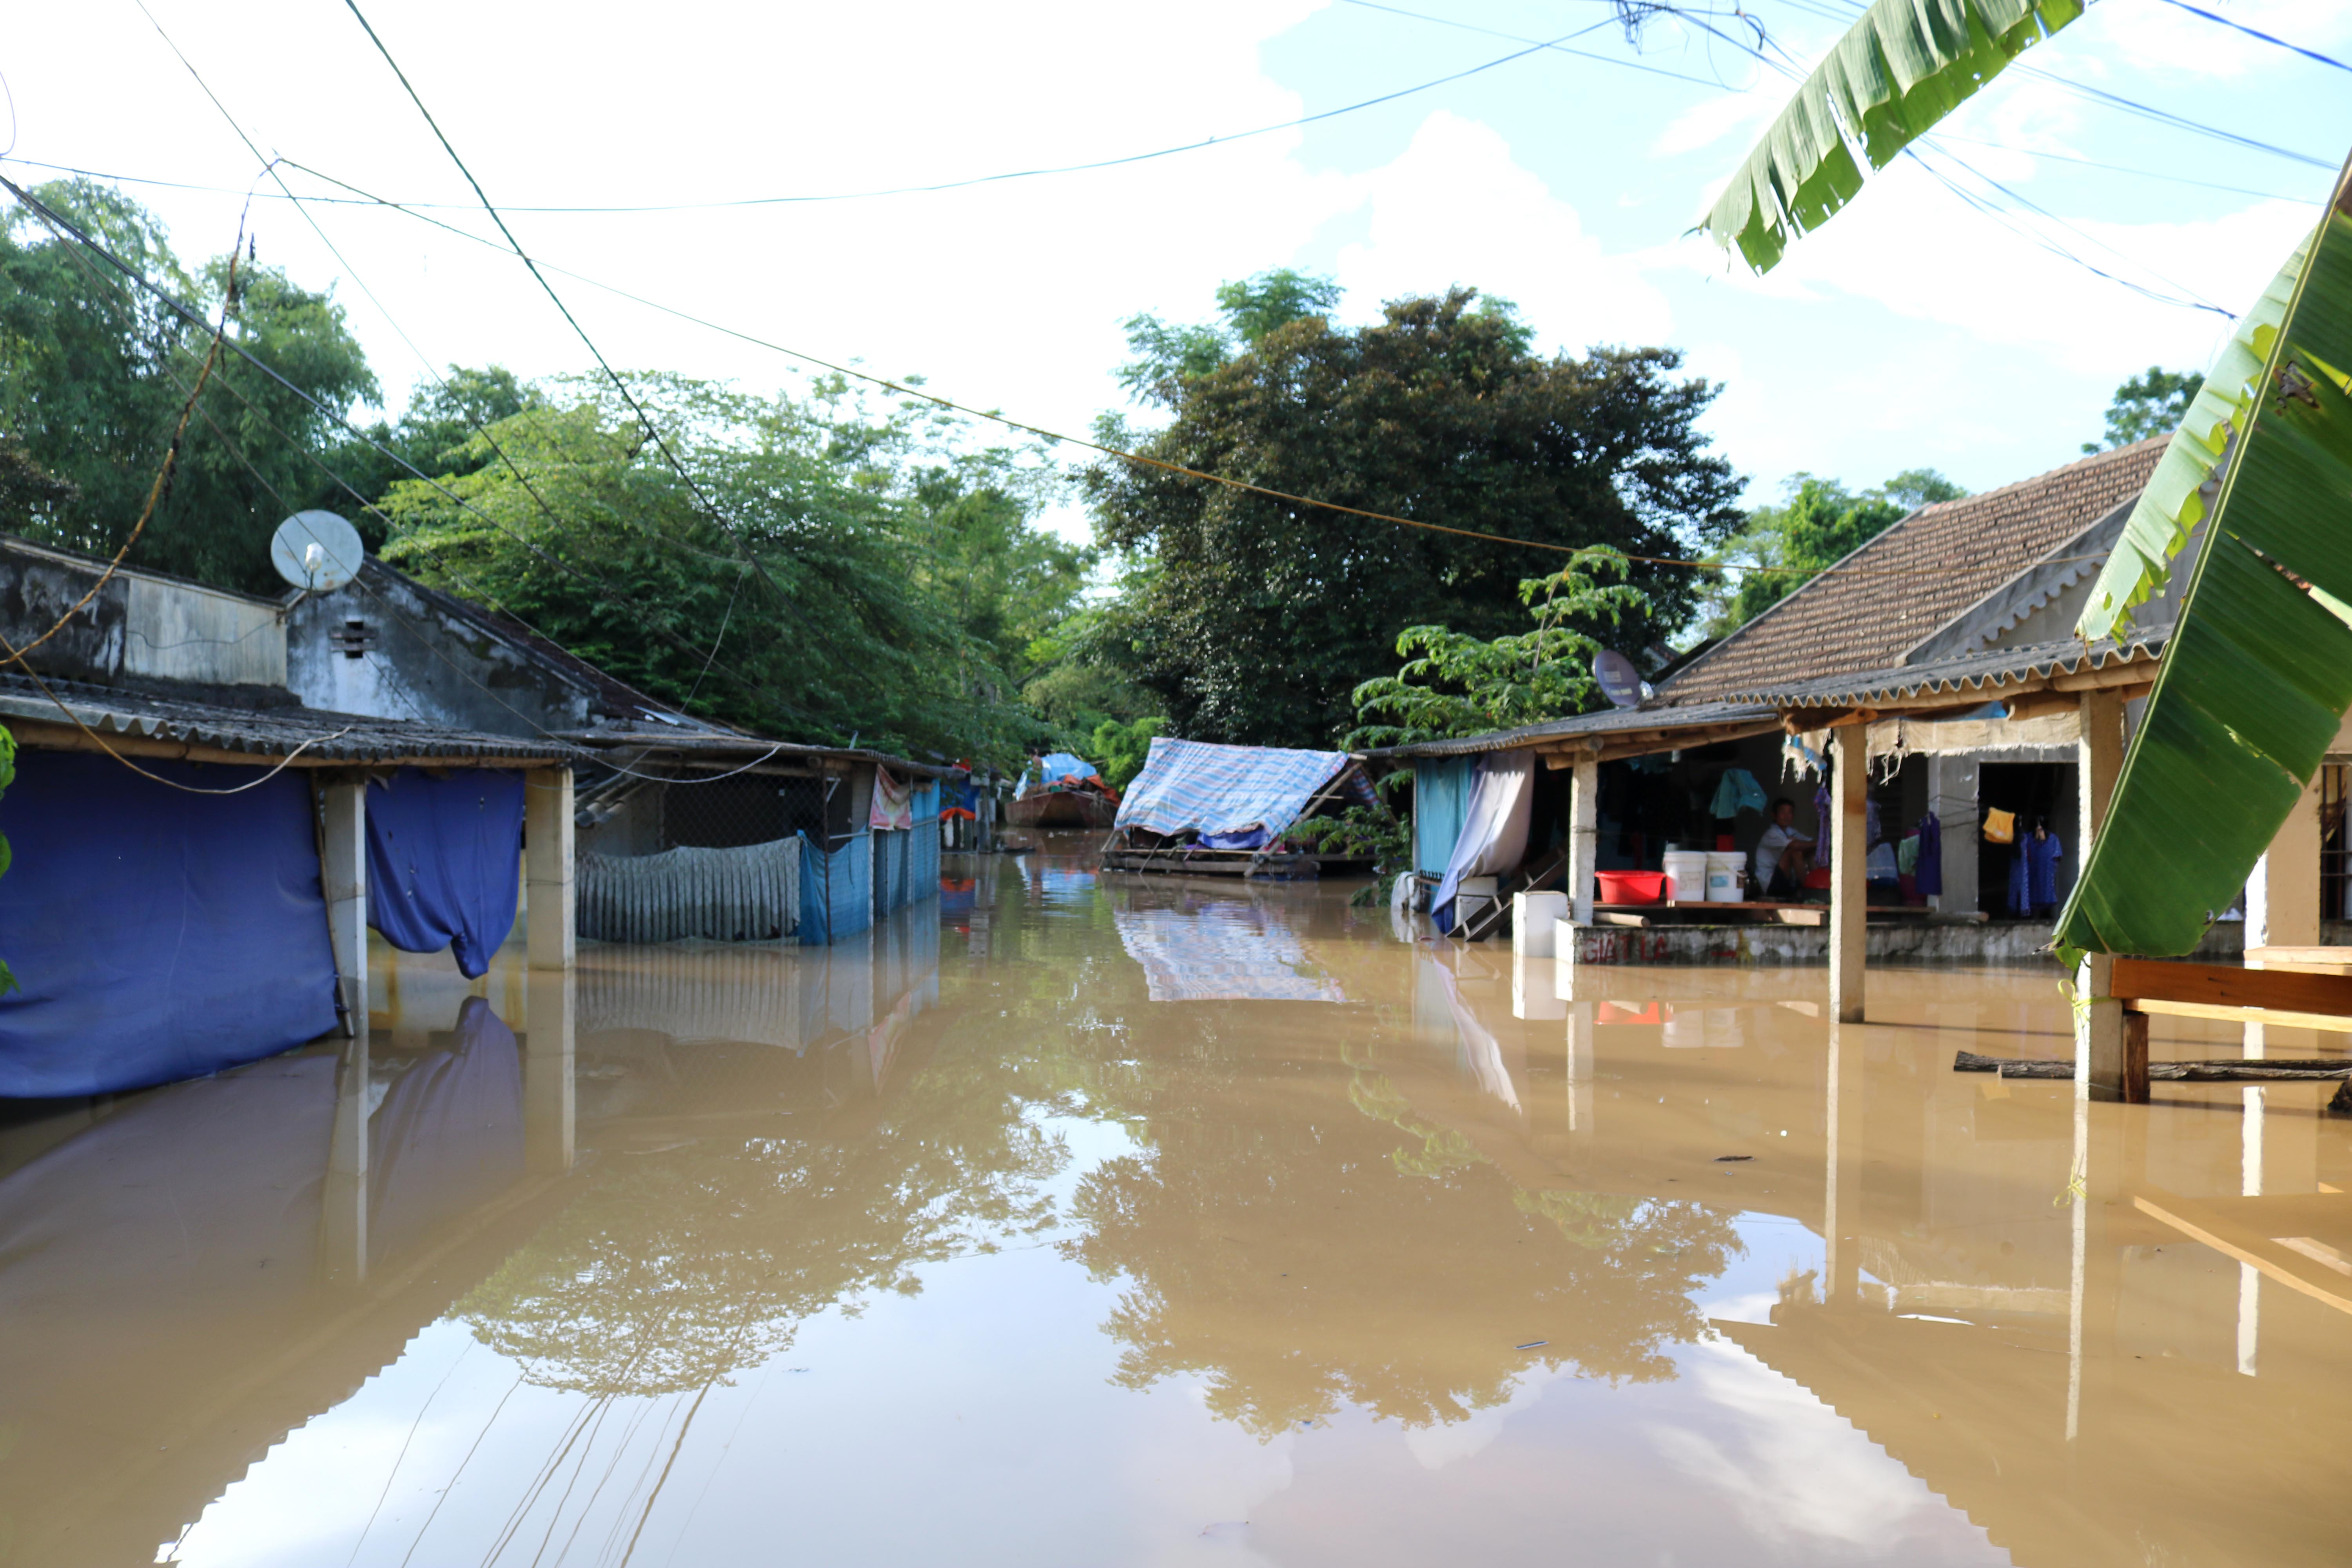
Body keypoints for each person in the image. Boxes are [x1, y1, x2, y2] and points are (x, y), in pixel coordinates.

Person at [1753, 797, 1815, 900]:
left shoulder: (1791, 832)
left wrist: (1819, 844)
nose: (1787, 816)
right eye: (1783, 812)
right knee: (1794, 851)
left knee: (1810, 850)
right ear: (1774, 815)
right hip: (1771, 884)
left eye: (1790, 812)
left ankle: (1817, 886)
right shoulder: (1771, 834)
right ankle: (1808, 890)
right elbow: (1795, 846)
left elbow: (1809, 843)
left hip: (1786, 880)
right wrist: (1814, 844)